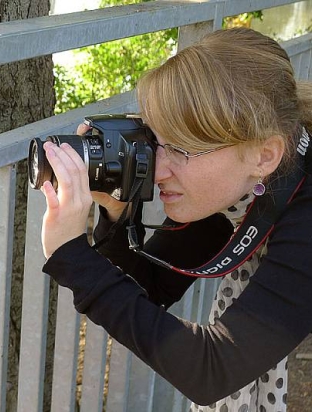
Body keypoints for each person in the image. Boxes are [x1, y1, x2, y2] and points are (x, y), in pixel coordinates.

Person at [39, 27, 312, 411]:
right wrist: (116, 211)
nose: (160, 169)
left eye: (181, 150)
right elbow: (152, 287)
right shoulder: (243, 189)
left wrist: (73, 258)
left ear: (264, 155)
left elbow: (215, 369)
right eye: (156, 142)